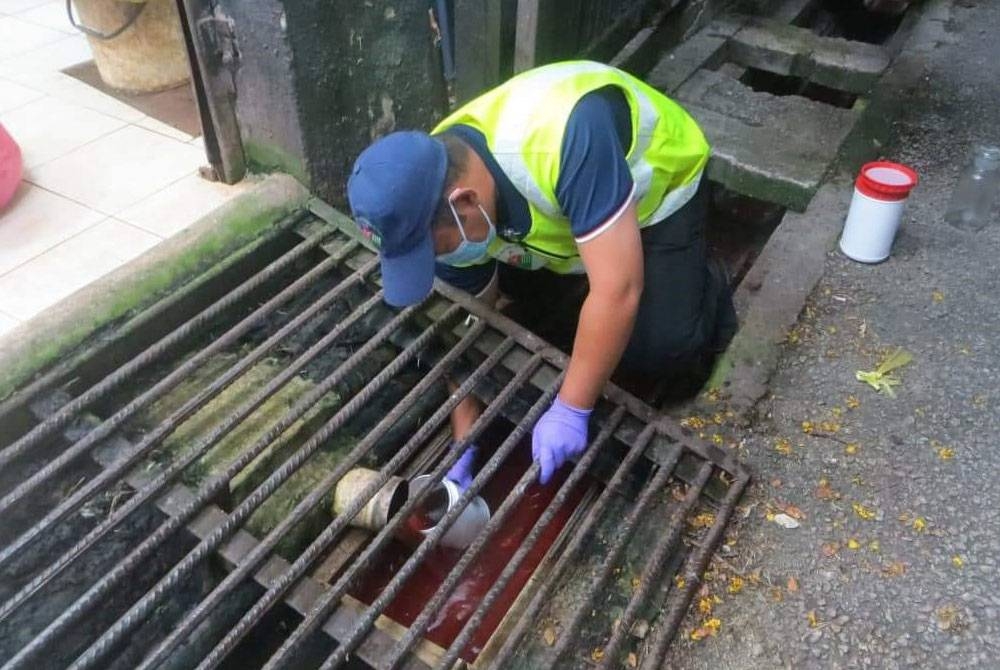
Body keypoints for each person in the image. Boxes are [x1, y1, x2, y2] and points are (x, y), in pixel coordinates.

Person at [347, 60, 736, 488]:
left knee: (660, 348)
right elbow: (468, 326)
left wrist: (572, 408)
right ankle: (590, 255)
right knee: (514, 289)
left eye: (434, 248)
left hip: (656, 192)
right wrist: (465, 443)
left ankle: (704, 283)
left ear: (465, 202)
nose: (437, 258)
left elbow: (619, 289)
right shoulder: (431, 188)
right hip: (567, 223)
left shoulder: (566, 139)